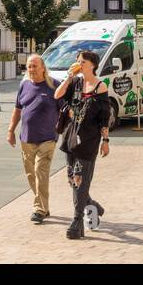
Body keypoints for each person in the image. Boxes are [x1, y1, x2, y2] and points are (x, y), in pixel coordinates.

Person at [54, 49, 111, 240]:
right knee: (72, 179)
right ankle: (93, 207)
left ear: (93, 65)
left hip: (89, 140)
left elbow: (104, 118)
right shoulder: (75, 82)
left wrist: (105, 141)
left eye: (83, 62)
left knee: (81, 179)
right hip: (71, 137)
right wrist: (69, 77)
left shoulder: (100, 87)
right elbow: (57, 95)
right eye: (77, 61)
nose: (79, 64)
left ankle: (77, 221)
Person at [6, 54, 61, 224]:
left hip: (47, 138)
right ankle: (44, 206)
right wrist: (11, 131)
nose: (31, 69)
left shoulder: (54, 86)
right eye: (29, 66)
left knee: (41, 173)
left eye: (34, 66)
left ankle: (39, 209)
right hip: (27, 138)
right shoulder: (24, 86)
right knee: (31, 175)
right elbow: (17, 110)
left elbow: (65, 111)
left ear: (43, 67)